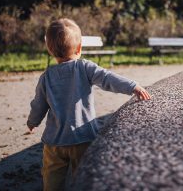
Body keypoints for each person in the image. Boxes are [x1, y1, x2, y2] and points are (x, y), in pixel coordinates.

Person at [27, 18, 151, 191]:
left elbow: (38, 104)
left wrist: (33, 121)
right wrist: (133, 86)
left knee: (52, 176)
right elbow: (108, 79)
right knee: (84, 177)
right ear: (79, 48)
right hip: (83, 137)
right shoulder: (84, 67)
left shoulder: (46, 77)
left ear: (49, 49)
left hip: (55, 142)